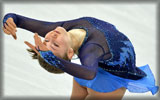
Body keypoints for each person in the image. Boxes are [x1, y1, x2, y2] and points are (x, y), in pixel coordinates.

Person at [3, 13, 159, 100]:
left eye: (47, 40)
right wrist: (51, 58)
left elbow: (18, 19)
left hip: (87, 72)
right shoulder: (91, 50)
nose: (51, 37)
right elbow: (90, 73)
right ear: (70, 53)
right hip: (106, 85)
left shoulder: (62, 30)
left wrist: (8, 21)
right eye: (55, 45)